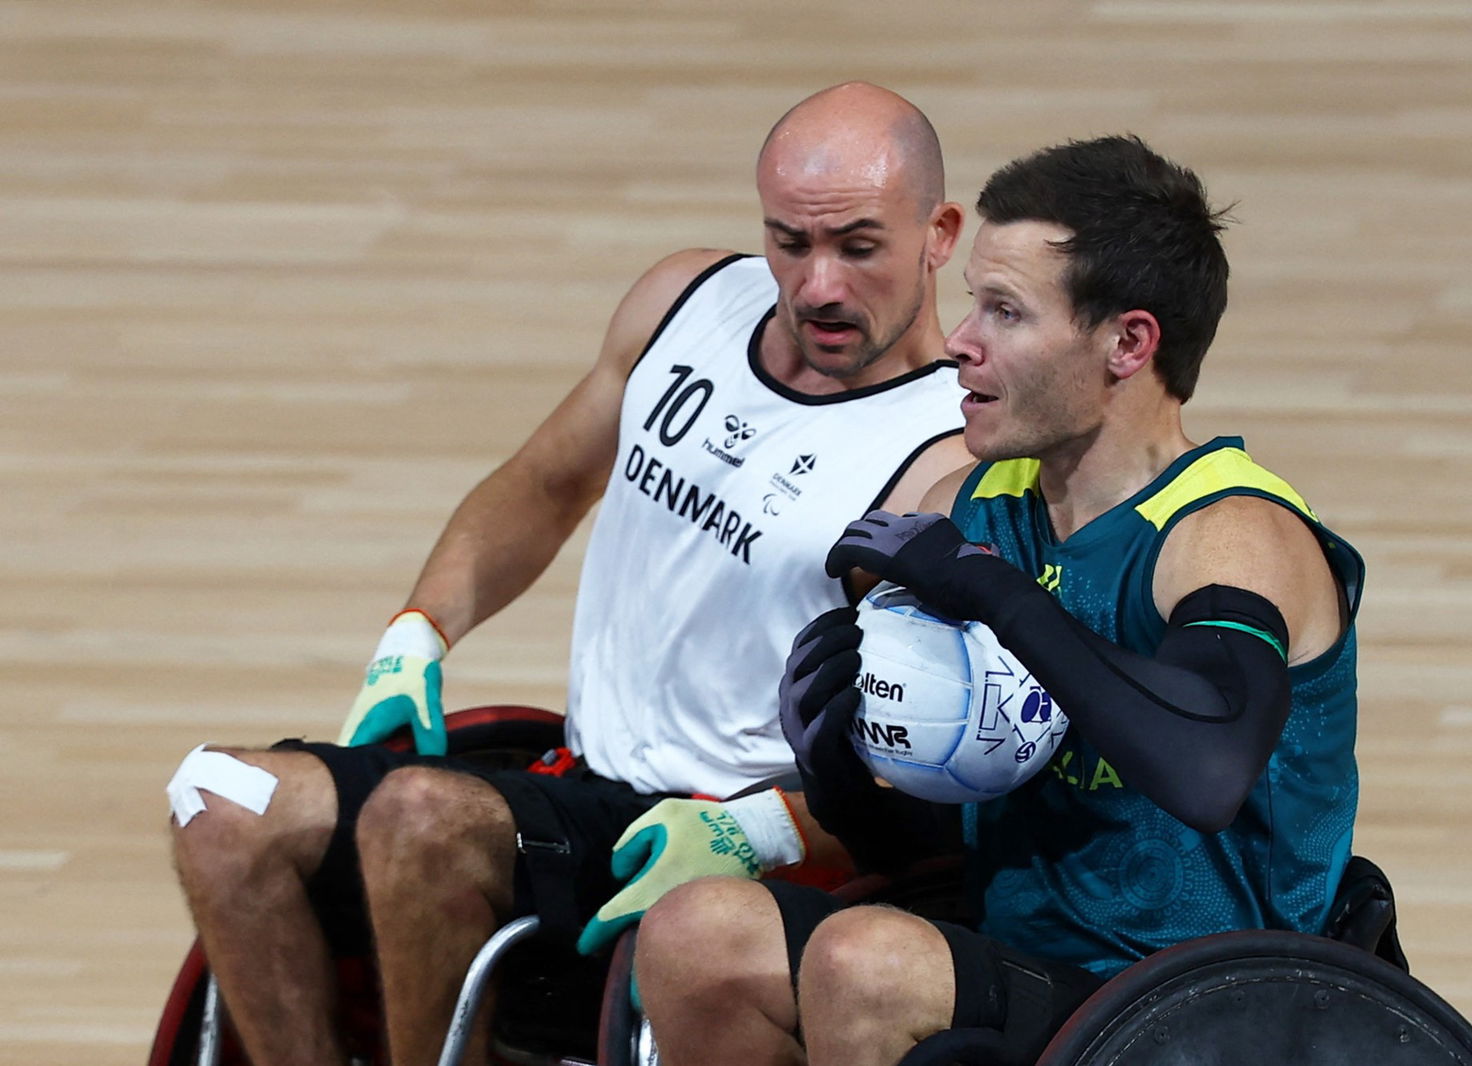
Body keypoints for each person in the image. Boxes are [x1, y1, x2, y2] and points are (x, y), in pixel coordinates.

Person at [166, 81, 971, 1066]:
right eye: (789, 243)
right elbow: (546, 485)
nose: (817, 286)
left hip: (697, 831)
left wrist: (765, 829)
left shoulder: (944, 461)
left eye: (857, 245)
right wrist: (419, 628)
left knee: (420, 817)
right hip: (564, 787)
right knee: (214, 801)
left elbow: (937, 773)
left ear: (939, 233)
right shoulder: (687, 301)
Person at [632, 134, 1366, 1066]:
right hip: (1014, 957)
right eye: (974, 300)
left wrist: (1000, 596)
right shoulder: (978, 505)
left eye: (1005, 311)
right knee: (700, 935)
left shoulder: (1229, 536)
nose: (961, 341)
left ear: (1128, 343)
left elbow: (1206, 773)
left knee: (866, 962)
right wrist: (845, 773)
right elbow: (953, 816)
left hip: (1206, 1003)